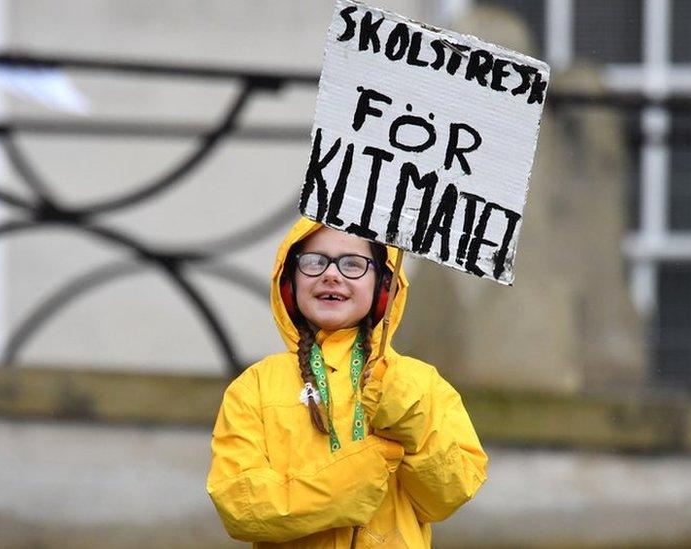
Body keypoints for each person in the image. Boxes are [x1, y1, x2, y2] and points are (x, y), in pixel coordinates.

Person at [207, 217, 488, 548]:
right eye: (314, 262)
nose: (331, 274)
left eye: (353, 264)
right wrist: (343, 485)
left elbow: (447, 497)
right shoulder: (253, 387)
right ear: (289, 281)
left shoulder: (419, 384)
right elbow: (238, 506)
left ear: (384, 285)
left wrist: (412, 421)